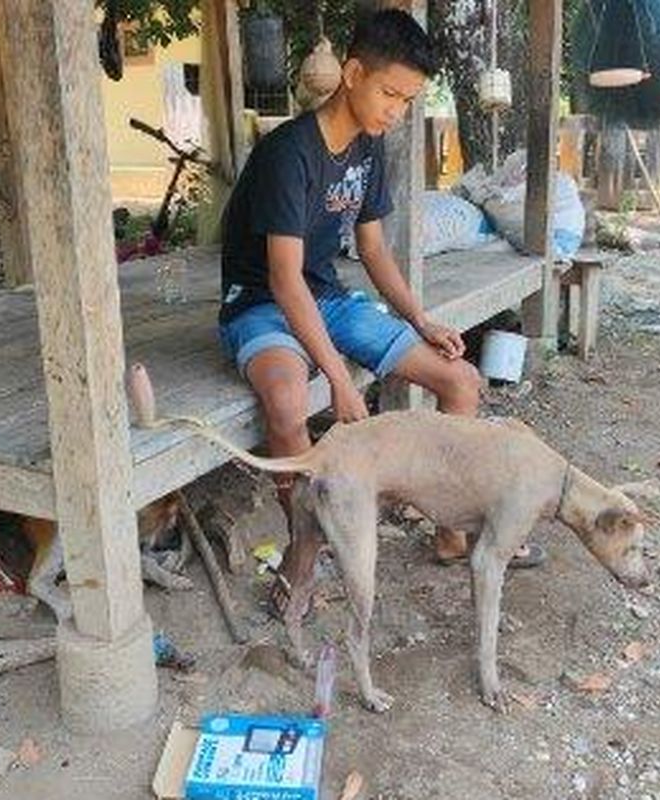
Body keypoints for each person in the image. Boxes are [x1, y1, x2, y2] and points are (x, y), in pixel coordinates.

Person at [217, 9, 541, 615]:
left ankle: (450, 530)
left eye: (408, 100)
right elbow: (284, 283)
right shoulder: (289, 153)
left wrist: (420, 318)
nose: (396, 110)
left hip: (328, 298)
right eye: (390, 93)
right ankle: (302, 553)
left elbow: (371, 248)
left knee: (460, 380)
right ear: (352, 72)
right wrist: (338, 380)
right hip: (261, 303)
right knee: (288, 403)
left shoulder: (368, 149)